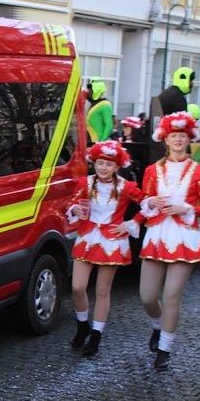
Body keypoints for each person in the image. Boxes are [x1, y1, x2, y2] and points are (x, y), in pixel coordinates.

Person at [137, 111, 200, 371]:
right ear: (165, 140)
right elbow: (144, 200)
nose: (178, 140)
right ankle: (158, 327)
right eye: (173, 136)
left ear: (188, 138)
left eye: (182, 136)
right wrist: (150, 202)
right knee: (147, 296)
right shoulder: (151, 170)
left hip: (185, 238)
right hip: (157, 236)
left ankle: (165, 349)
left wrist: (185, 208)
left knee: (171, 295)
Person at [66, 141, 143, 356]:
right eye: (100, 163)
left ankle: (96, 335)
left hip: (112, 242)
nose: (103, 168)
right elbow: (71, 204)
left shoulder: (126, 187)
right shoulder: (85, 183)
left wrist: (131, 224)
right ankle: (82, 325)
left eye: (109, 164)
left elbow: (147, 205)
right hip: (87, 238)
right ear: (94, 163)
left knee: (102, 290)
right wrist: (75, 210)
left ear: (117, 167)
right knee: (77, 287)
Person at [85, 77, 113, 143]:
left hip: (96, 140)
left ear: (96, 89)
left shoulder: (105, 105)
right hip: (90, 139)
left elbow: (109, 125)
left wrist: (102, 142)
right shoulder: (96, 102)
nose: (89, 92)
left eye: (90, 89)